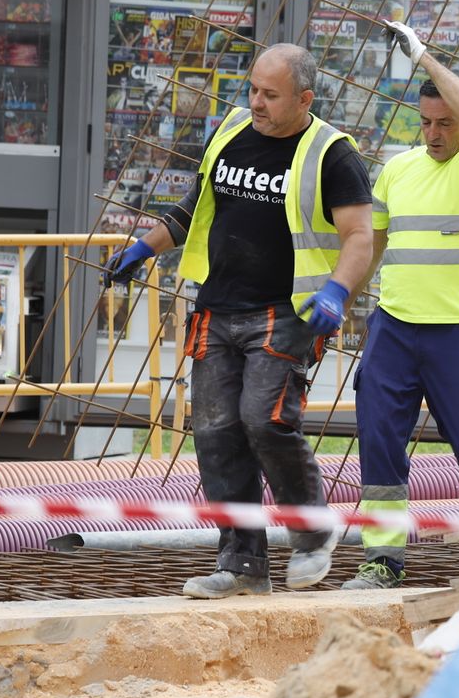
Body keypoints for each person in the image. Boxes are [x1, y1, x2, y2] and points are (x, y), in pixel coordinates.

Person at [104, 43, 373, 599]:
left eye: (270, 95)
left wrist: (336, 293)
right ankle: (242, 564)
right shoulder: (230, 131)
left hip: (284, 313)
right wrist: (144, 248)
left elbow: (359, 236)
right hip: (218, 307)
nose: (256, 102)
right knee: (215, 432)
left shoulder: (332, 153)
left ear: (304, 98)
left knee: (265, 420)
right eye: (252, 89)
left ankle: (312, 531)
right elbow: (196, 208)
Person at [340, 19, 459, 590]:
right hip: (394, 330)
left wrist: (425, 57)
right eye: (426, 122)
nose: (434, 134)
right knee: (380, 445)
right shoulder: (396, 171)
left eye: (445, 123)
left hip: (457, 333)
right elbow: (374, 245)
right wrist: (340, 299)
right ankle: (381, 561)